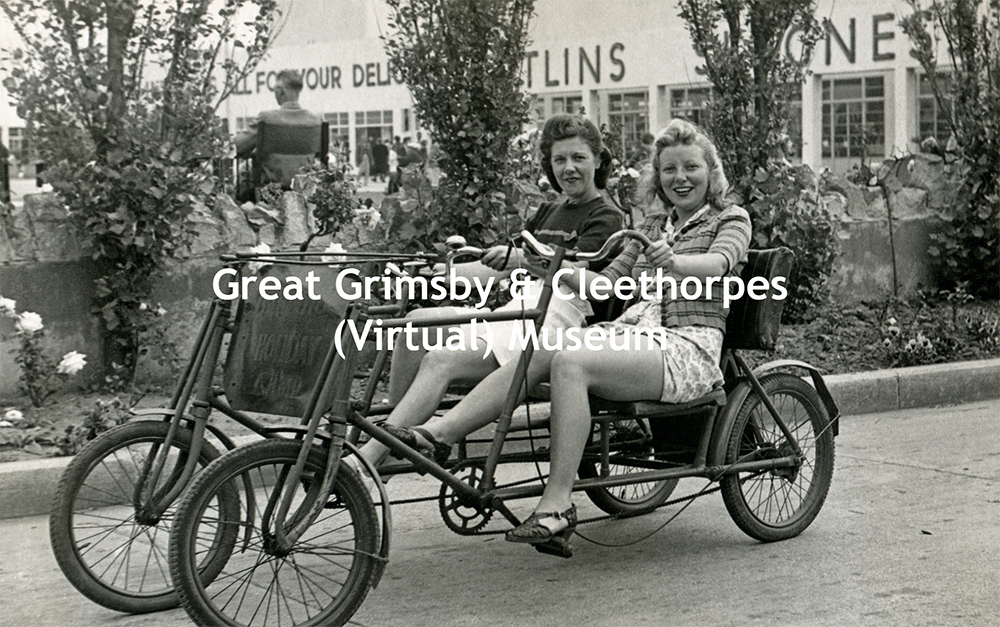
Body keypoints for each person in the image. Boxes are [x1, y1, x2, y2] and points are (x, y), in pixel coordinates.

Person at [386, 119, 752, 547]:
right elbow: (607, 284)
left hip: (687, 346)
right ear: (658, 177)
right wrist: (547, 267)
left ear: (711, 171)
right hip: (633, 334)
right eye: (669, 170)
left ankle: (557, 506)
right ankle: (439, 435)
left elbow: (719, 263)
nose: (680, 178)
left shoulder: (731, 218)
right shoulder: (652, 227)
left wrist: (676, 262)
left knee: (571, 361)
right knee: (547, 347)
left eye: (691, 168)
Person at [352, 113, 622, 470]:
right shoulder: (547, 211)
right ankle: (392, 442)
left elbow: (578, 278)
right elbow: (499, 265)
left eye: (578, 158)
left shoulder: (605, 216)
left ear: (598, 161)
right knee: (414, 326)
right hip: (520, 310)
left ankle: (370, 459)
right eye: (560, 159)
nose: (568, 168)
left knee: (440, 359)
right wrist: (440, 273)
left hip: (558, 323)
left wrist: (523, 260)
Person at [234, 70, 323, 189]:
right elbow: (320, 156)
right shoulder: (316, 120)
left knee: (244, 171)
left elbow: (238, 146)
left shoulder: (266, 119)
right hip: (304, 189)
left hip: (270, 191)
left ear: (280, 90)